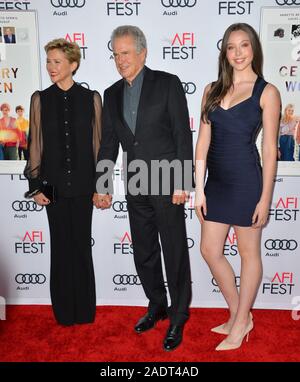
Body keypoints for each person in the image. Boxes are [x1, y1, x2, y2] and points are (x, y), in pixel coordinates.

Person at [93, 25, 193, 351]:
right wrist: (102, 184)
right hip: (135, 185)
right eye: (116, 54)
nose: (120, 60)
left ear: (142, 52)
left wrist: (182, 181)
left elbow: (181, 134)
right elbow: (109, 144)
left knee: (175, 251)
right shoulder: (111, 93)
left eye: (126, 53)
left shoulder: (167, 84)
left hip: (167, 182)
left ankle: (178, 315)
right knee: (144, 251)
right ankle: (157, 304)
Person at [195, 23, 280, 351]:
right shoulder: (211, 90)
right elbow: (202, 142)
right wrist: (198, 188)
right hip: (214, 183)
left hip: (247, 182)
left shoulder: (267, 92)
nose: (238, 52)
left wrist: (265, 198)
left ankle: (242, 318)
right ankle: (238, 314)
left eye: (244, 45)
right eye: (231, 47)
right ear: (225, 53)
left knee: (248, 253)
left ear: (254, 49)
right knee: (209, 250)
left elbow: (269, 150)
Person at [24, 38, 102, 326]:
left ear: (73, 64)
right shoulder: (40, 99)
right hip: (53, 187)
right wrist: (36, 185)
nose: (51, 67)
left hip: (84, 186)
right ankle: (64, 313)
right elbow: (36, 145)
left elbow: (98, 146)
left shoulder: (91, 98)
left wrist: (101, 186)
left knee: (81, 247)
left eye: (57, 62)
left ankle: (84, 311)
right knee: (60, 248)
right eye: (48, 61)